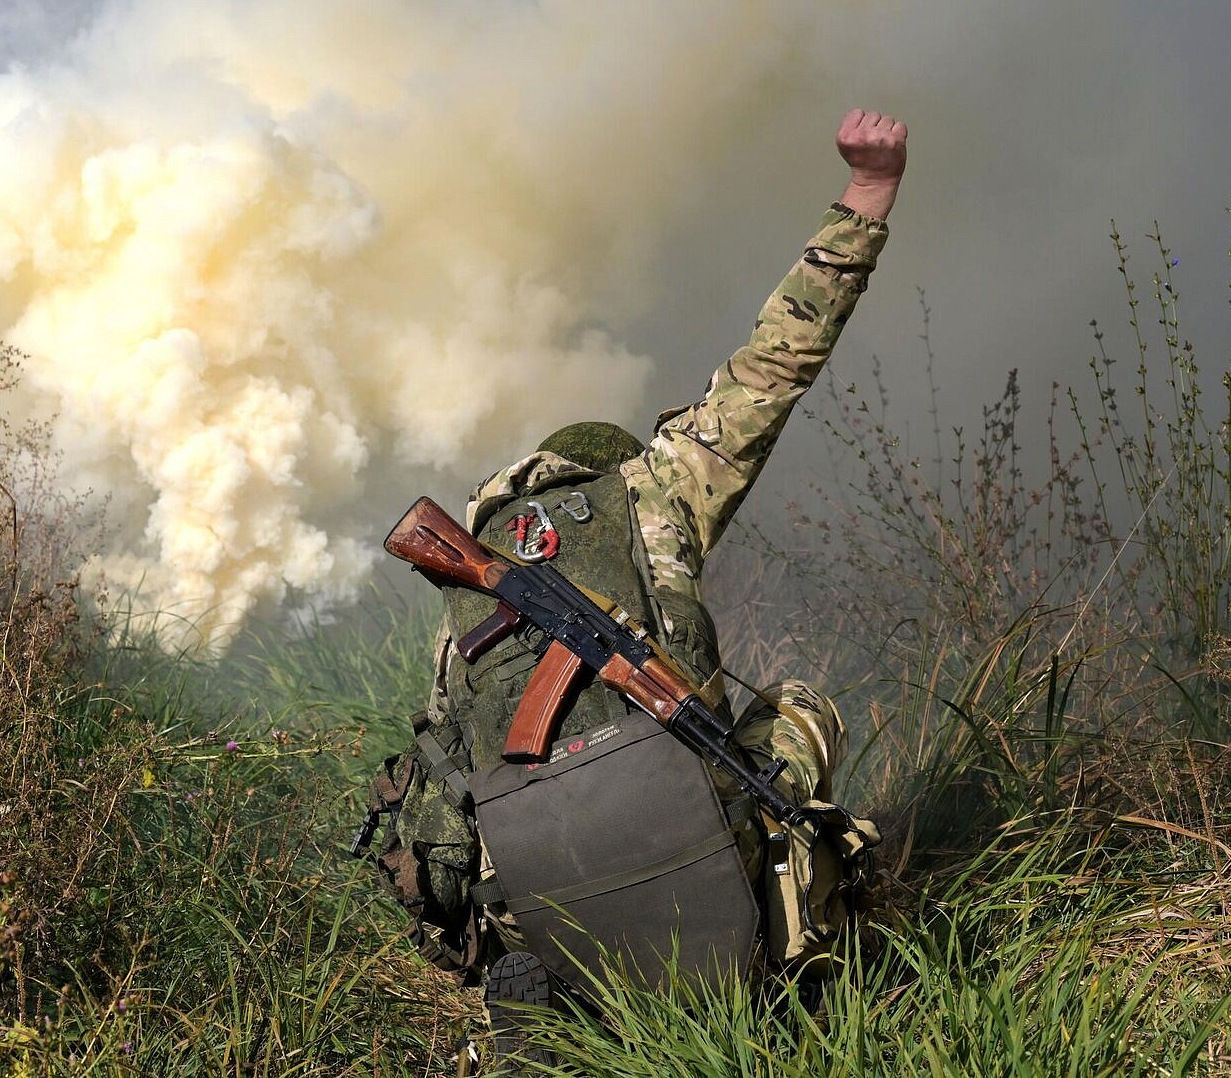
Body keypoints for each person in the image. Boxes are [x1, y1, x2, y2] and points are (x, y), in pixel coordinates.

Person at [361, 109, 906, 1071]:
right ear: (613, 472)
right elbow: (777, 365)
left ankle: (534, 989)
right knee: (799, 724)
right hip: (690, 835)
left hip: (545, 896)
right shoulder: (655, 490)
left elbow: (446, 783)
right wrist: (868, 196)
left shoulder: (467, 604)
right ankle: (793, 965)